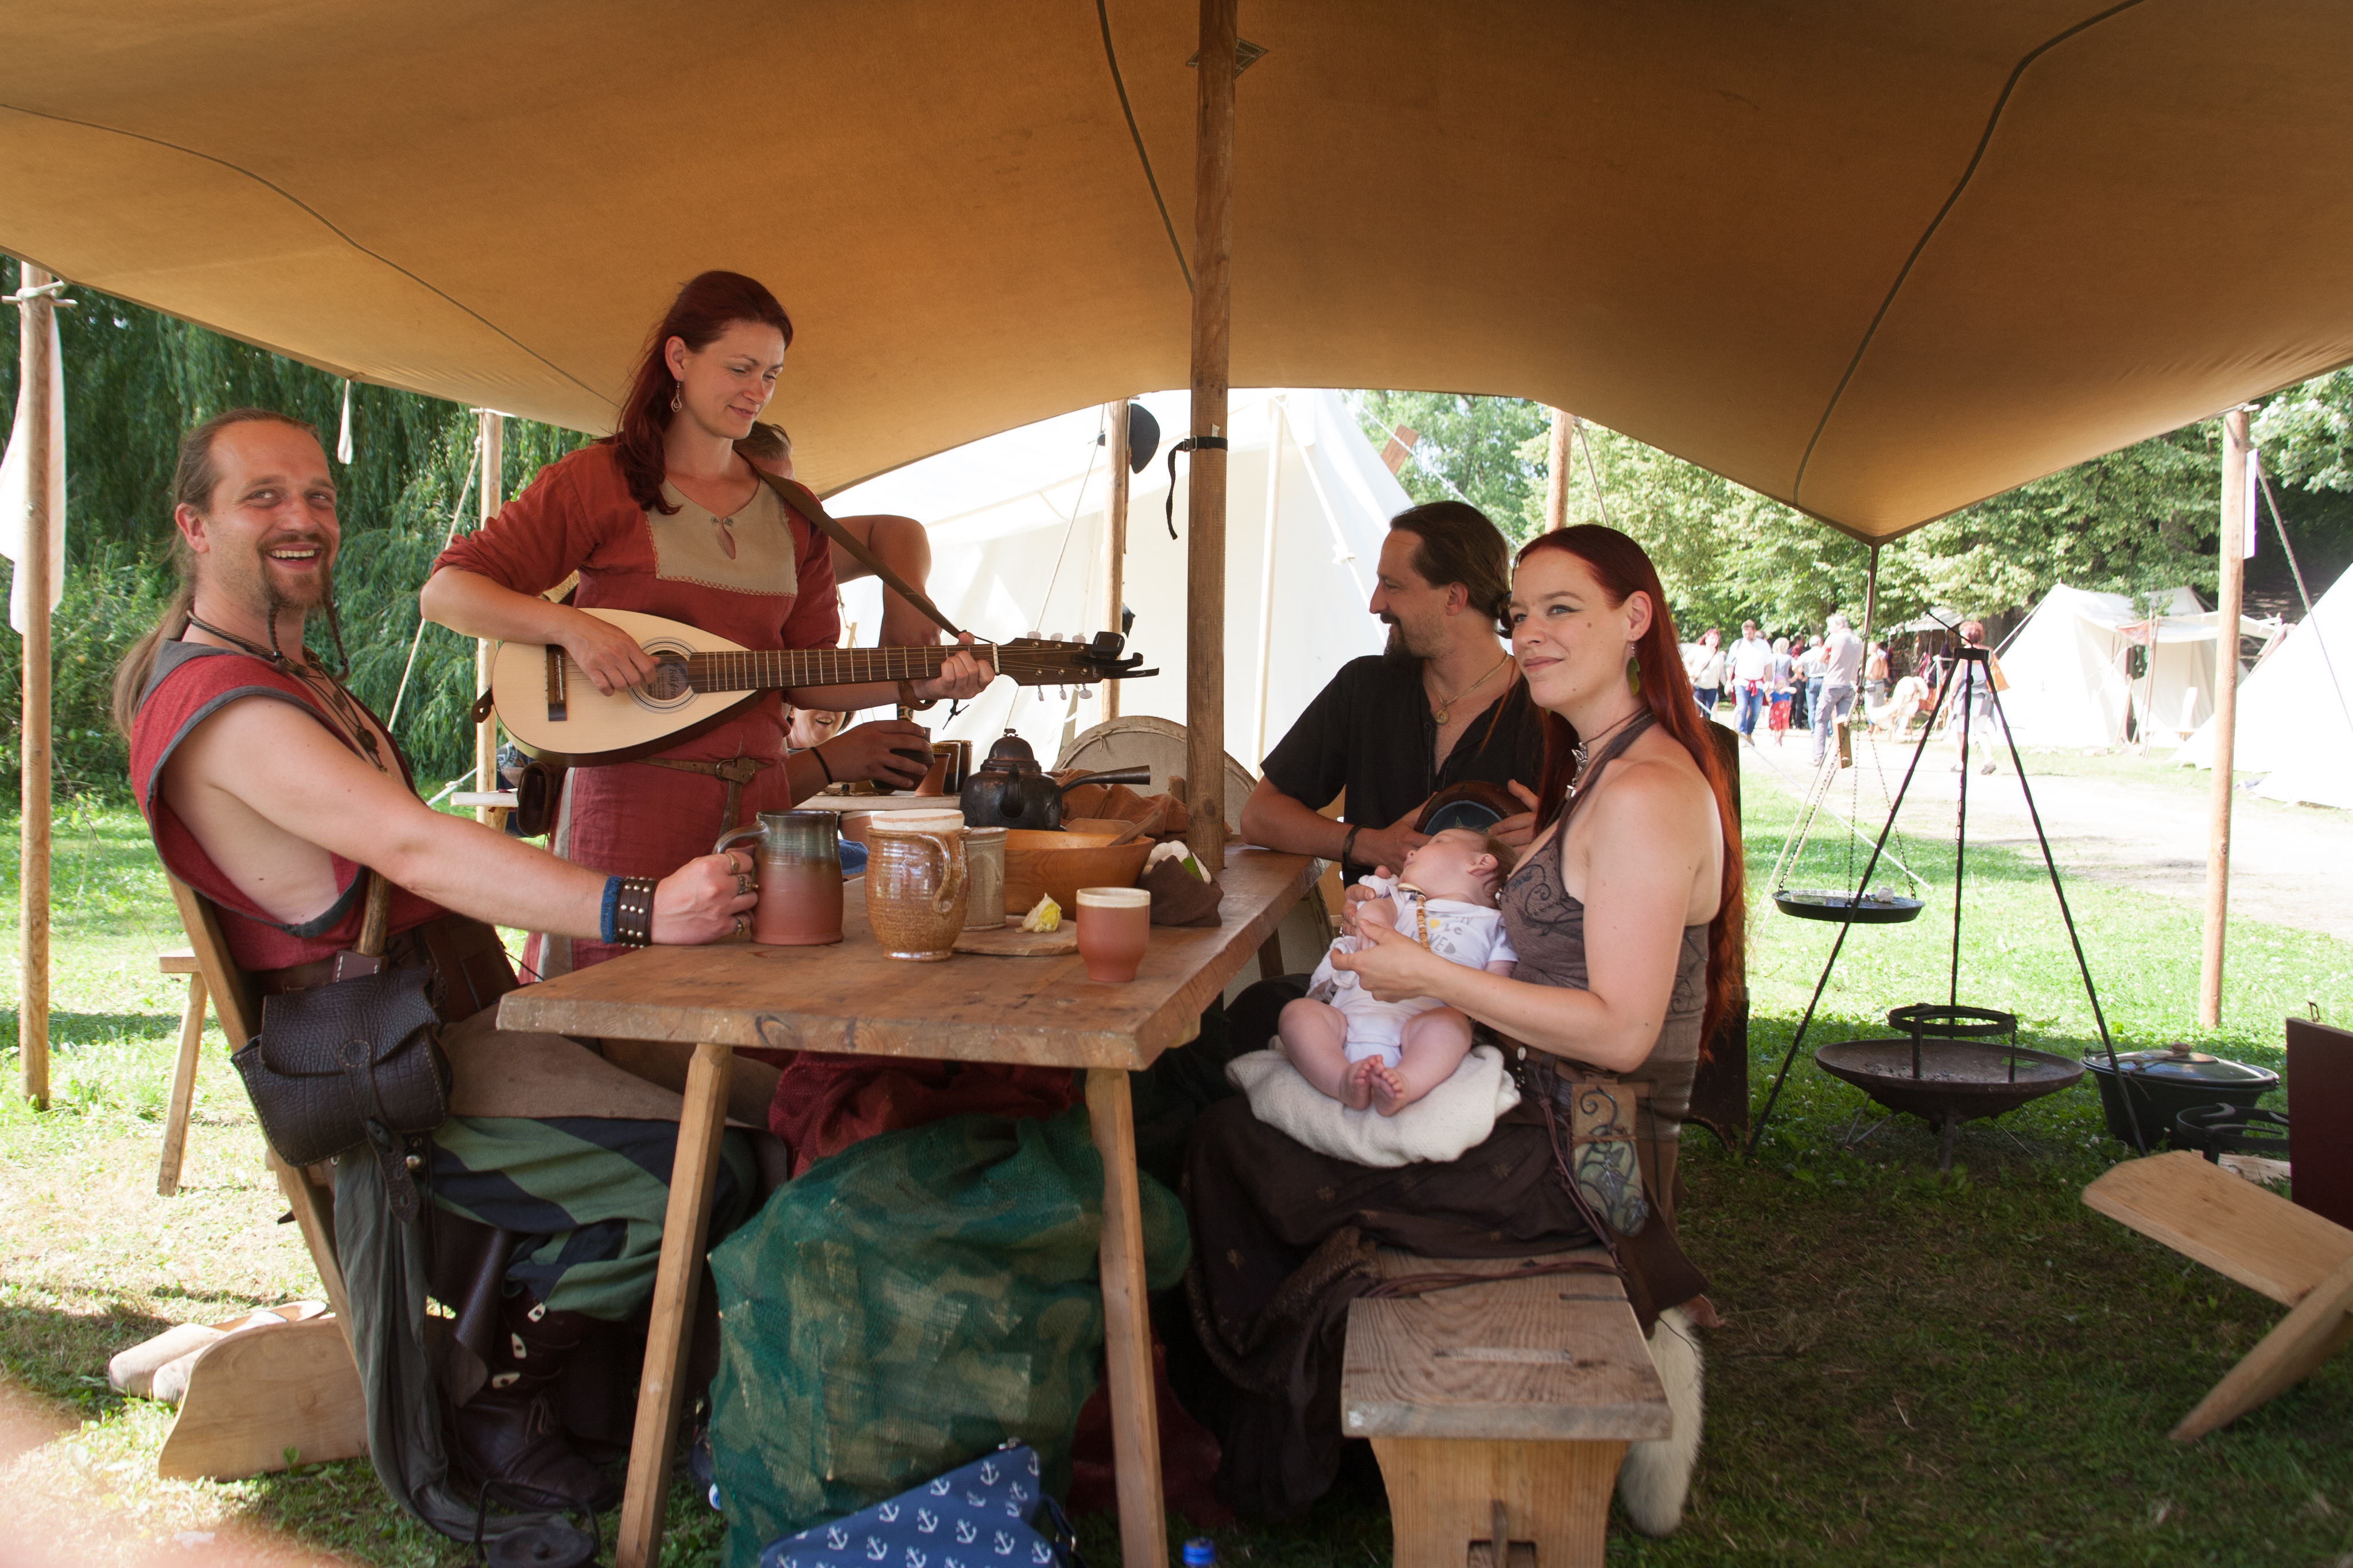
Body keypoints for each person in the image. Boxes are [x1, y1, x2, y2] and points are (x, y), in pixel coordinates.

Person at [114, 409, 767, 1514]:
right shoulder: (218, 705)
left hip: (468, 1025)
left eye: (317, 495)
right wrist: (639, 905)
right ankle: (501, 1401)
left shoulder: (283, 674)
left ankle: (674, 1397)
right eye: (263, 496)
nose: (302, 518)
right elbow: (414, 847)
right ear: (195, 524)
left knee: (763, 1097)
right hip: (400, 1076)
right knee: (702, 1169)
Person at [1182, 524, 1741, 1518]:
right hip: (1542, 1102)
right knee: (1264, 1047)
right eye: (1522, 613)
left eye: (1562, 609)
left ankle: (1310, 1453)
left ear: (1635, 619)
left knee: (1232, 1141)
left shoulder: (1647, 792)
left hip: (1582, 1152)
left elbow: (1621, 1032)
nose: (1532, 634)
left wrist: (1428, 973)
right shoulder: (1603, 765)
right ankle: (1324, 1425)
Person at [420, 272, 989, 975]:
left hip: (757, 813)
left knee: (745, 1004)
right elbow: (447, 593)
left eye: (772, 375)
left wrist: (919, 681)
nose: (757, 391)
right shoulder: (597, 480)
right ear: (678, 359)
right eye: (740, 368)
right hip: (627, 804)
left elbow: (808, 676)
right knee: (612, 998)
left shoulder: (792, 511)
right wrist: (572, 629)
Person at [1277, 827, 1517, 1115]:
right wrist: (1377, 929)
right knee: (1298, 1013)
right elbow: (1375, 911)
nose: (1412, 852)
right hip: (1345, 1021)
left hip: (1420, 1031)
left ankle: (1407, 1082)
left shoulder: (1496, 926)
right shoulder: (1404, 899)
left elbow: (1496, 991)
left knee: (1452, 1024)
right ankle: (1339, 1078)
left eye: (1438, 842)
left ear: (1480, 863)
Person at [738, 420, 943, 649]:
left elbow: (896, 529)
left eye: (793, 495)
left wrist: (907, 597)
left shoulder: (793, 546)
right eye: (765, 497)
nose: (786, 510)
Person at [1948, 618, 2008, 773]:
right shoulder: (1989, 651)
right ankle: (1989, 760)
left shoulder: (1964, 653)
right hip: (1984, 694)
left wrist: (1950, 696)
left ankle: (1960, 763)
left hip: (1966, 692)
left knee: (1961, 729)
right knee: (1980, 729)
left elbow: (1957, 677)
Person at [1810, 612, 1865, 766]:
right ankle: (1844, 757)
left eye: (1831, 626)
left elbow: (1821, 658)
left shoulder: (1834, 638)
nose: (1829, 629)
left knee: (1821, 719)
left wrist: (1832, 661)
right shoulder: (1859, 641)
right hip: (1850, 684)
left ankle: (1817, 757)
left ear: (1840, 625)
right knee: (1844, 722)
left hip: (1832, 683)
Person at [1727, 620, 1773, 740]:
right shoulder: (1738, 644)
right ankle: (1742, 734)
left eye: (1750, 633)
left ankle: (1748, 733)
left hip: (1758, 684)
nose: (1747, 636)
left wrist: (1768, 682)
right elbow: (1730, 665)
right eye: (1745, 633)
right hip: (1741, 682)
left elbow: (1768, 666)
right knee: (1742, 708)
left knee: (1756, 711)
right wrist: (1728, 681)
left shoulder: (1764, 645)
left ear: (1755, 631)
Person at [1683, 627, 1725, 719]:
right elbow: (1686, 660)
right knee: (1696, 712)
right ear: (1706, 639)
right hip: (1698, 687)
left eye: (1716, 638)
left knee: (1707, 714)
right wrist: (1691, 673)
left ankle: (1705, 729)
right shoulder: (1698, 650)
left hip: (1712, 689)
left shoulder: (1719, 656)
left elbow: (1722, 673)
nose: (1714, 640)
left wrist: (1727, 685)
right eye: (1712, 638)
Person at [1766, 635, 1796, 744]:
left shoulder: (1772, 657)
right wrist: (1794, 678)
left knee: (1772, 707)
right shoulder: (1789, 658)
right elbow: (1797, 667)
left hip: (1773, 683)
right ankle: (1780, 730)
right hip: (1785, 684)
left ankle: (1773, 727)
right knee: (1785, 709)